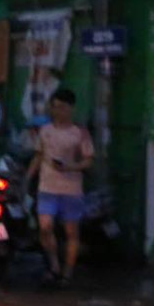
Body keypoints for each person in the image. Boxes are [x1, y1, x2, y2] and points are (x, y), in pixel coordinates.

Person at [26, 88, 94, 287]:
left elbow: (89, 160)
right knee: (45, 228)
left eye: (62, 108)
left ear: (71, 108)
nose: (58, 111)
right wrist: (27, 178)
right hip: (47, 187)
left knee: (72, 232)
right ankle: (54, 265)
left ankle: (67, 273)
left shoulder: (80, 133)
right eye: (54, 107)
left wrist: (71, 167)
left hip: (71, 189)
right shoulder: (45, 131)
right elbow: (38, 156)